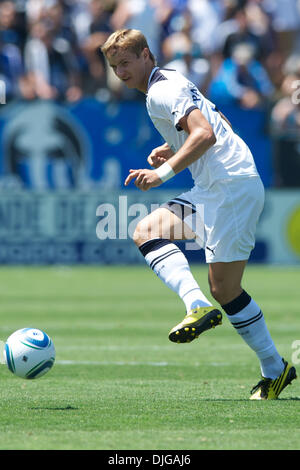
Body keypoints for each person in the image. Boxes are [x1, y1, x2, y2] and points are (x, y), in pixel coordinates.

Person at [100, 28, 297, 400]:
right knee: (146, 231)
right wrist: (170, 145)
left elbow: (205, 134)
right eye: (114, 66)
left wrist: (162, 171)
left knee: (226, 288)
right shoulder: (171, 79)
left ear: (146, 55)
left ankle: (274, 368)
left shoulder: (162, 89)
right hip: (216, 187)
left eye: (125, 62)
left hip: (231, 187)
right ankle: (200, 309)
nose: (120, 72)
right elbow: (218, 121)